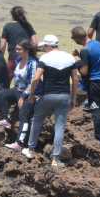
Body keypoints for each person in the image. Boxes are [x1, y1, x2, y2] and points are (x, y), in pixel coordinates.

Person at [24, 35, 80, 168]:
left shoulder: (45, 58)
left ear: (49, 46)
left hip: (48, 96)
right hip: (64, 97)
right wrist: (73, 98)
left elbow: (36, 79)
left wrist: (31, 94)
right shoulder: (69, 57)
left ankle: (30, 150)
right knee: (59, 127)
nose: (43, 49)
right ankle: (55, 159)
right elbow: (75, 79)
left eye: (44, 47)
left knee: (37, 120)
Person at [72, 26, 100, 146]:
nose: (73, 40)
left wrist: (76, 61)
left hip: (95, 84)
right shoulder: (97, 43)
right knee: (99, 109)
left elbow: (84, 72)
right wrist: (80, 57)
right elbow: (93, 60)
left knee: (95, 110)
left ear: (78, 38)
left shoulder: (85, 50)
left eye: (73, 38)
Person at [0, 40, 40, 144]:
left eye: (19, 49)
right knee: (2, 94)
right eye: (16, 48)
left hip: (27, 92)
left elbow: (33, 82)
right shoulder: (18, 59)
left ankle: (20, 142)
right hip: (16, 89)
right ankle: (6, 120)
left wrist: (23, 96)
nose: (16, 51)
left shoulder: (32, 63)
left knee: (23, 114)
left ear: (26, 50)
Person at [0, 6, 37, 77]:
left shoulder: (7, 26)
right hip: (27, 58)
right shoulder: (28, 25)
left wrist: (0, 58)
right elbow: (35, 43)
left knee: (6, 80)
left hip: (13, 58)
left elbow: (3, 45)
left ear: (12, 15)